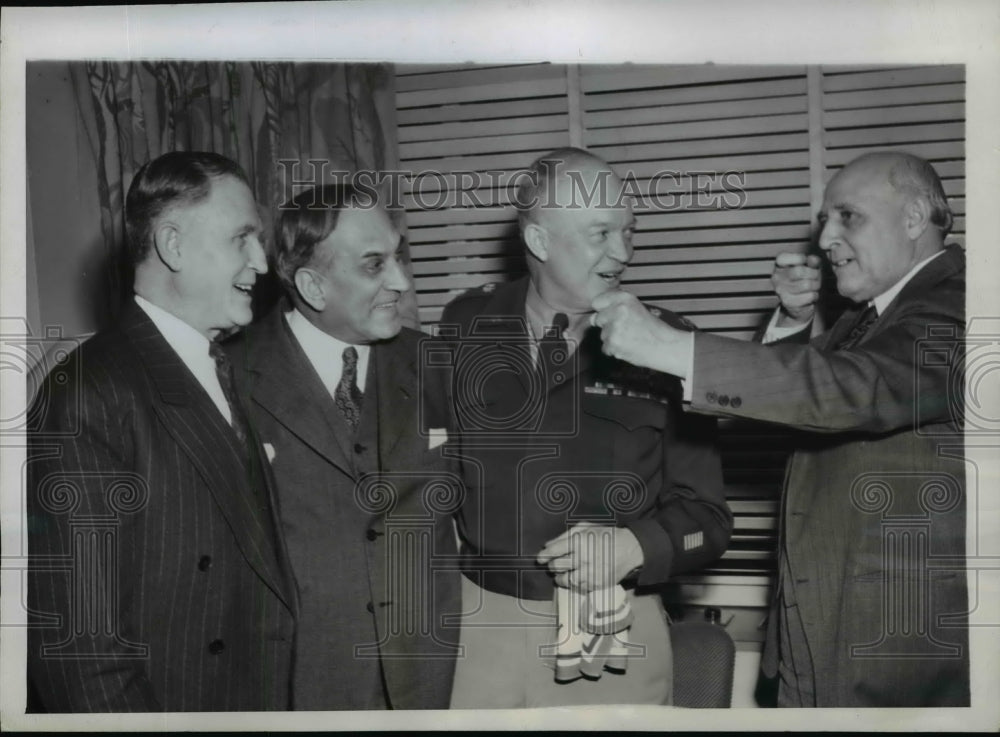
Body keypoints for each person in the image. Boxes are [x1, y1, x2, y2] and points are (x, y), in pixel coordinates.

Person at [591, 151, 968, 707]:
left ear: (913, 219)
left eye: (848, 216)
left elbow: (853, 390)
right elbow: (801, 399)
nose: (824, 239)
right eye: (824, 221)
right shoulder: (871, 319)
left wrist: (668, 346)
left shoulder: (961, 304)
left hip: (893, 656)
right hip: (820, 632)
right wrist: (793, 322)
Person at [439, 147, 732, 708]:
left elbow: (710, 520)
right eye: (601, 233)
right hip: (477, 632)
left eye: (629, 231)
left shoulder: (666, 344)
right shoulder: (465, 323)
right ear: (540, 242)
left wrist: (635, 545)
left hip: (612, 630)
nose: (622, 253)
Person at [27, 151, 296, 711]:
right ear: (172, 245)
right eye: (241, 239)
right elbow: (81, 650)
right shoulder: (89, 393)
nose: (262, 264)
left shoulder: (220, 367)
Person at [223, 183, 461, 710]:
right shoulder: (229, 374)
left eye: (400, 257)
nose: (401, 281)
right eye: (375, 265)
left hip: (425, 685)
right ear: (312, 285)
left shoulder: (434, 365)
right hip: (295, 688)